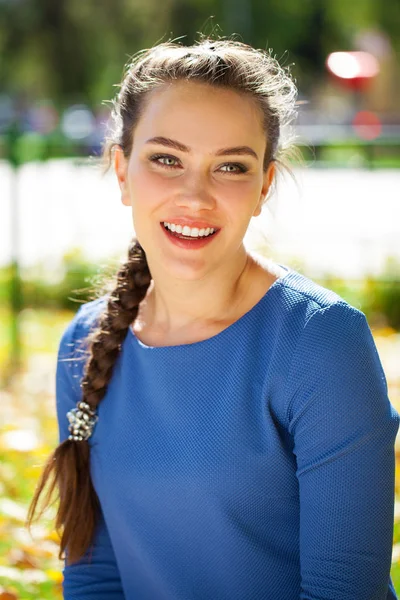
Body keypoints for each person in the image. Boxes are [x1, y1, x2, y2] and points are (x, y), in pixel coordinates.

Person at [27, 37, 400, 600]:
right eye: (167, 159)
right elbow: (96, 573)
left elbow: (343, 590)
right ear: (122, 171)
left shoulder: (320, 341)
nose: (195, 197)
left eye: (230, 166)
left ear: (263, 187)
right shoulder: (85, 341)